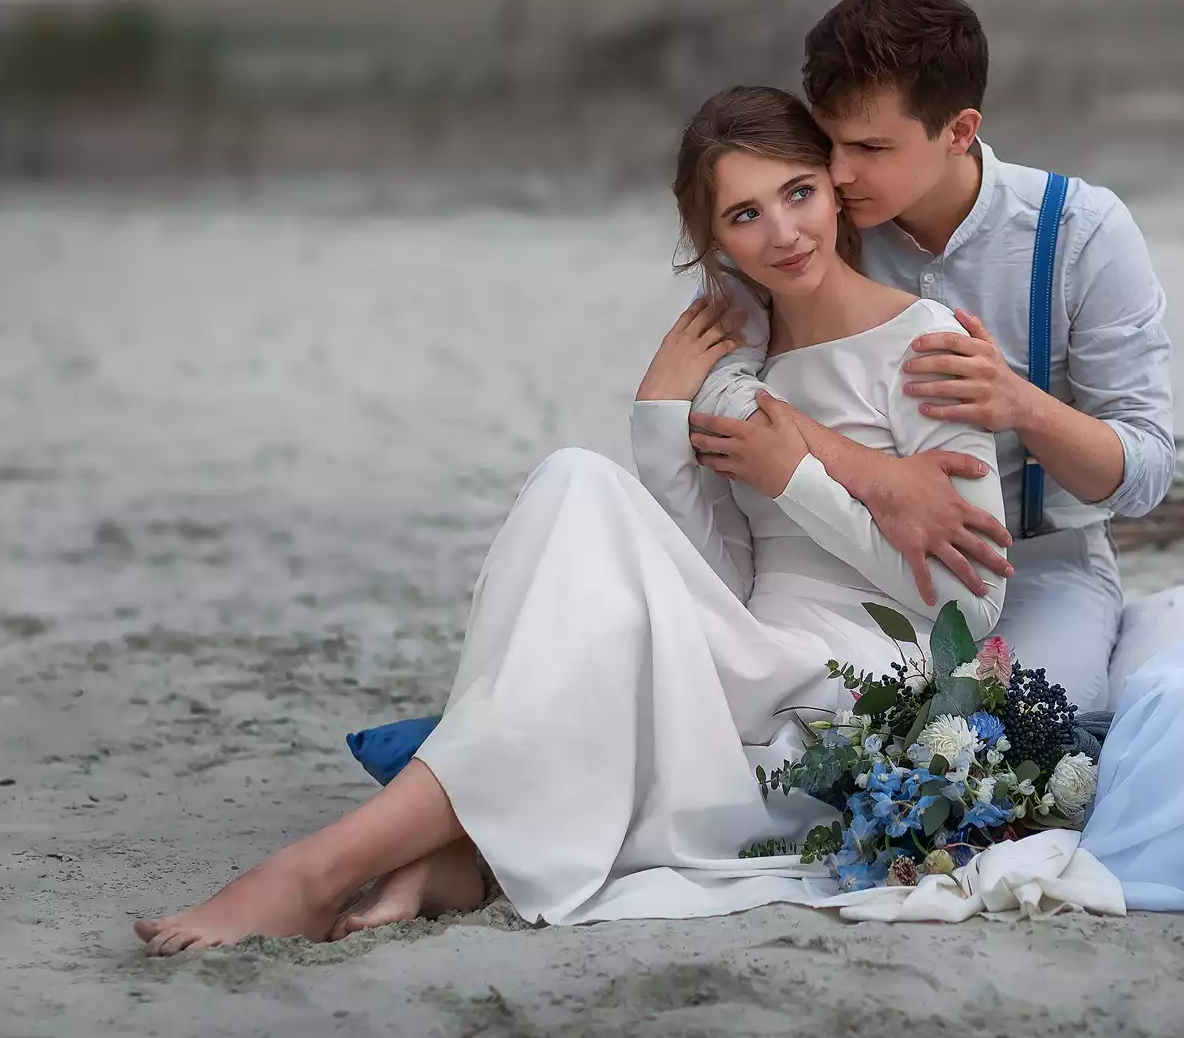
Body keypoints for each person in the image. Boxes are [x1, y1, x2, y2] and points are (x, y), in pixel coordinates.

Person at [131, 86, 1008, 955]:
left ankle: (325, 871)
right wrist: (659, 418)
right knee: (573, 480)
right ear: (713, 241)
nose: (782, 233)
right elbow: (718, 576)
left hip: (856, 679)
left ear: (833, 186)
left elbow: (973, 616)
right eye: (744, 214)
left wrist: (798, 481)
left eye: (798, 193)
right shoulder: (737, 367)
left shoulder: (925, 342)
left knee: (580, 561)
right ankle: (441, 856)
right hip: (744, 652)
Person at [692, 0, 1174, 713]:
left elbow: (1146, 476)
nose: (840, 173)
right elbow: (724, 392)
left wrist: (1022, 406)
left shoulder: (1082, 234)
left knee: (1032, 743)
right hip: (843, 559)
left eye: (872, 147)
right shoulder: (811, 228)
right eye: (831, 143)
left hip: (1040, 567)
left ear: (958, 130)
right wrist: (878, 476)